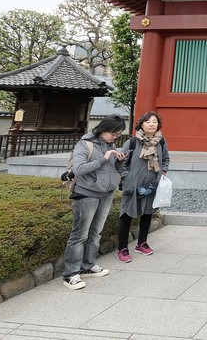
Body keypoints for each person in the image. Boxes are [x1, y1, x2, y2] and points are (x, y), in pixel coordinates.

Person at [62, 114, 127, 290]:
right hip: (86, 194)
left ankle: (88, 265)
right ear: (104, 129)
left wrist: (119, 162)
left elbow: (113, 169)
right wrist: (103, 159)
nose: (115, 137)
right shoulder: (85, 144)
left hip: (106, 193)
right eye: (114, 133)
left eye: (118, 135)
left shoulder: (110, 145)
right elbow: (79, 169)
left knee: (96, 232)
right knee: (80, 234)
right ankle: (70, 274)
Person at [115, 111, 170, 263]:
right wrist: (127, 178)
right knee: (126, 215)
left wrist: (162, 172)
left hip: (152, 183)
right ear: (141, 125)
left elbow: (165, 159)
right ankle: (123, 248)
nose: (152, 124)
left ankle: (142, 243)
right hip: (132, 185)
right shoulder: (132, 142)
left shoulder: (161, 141)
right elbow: (121, 163)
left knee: (147, 213)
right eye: (148, 122)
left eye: (154, 122)